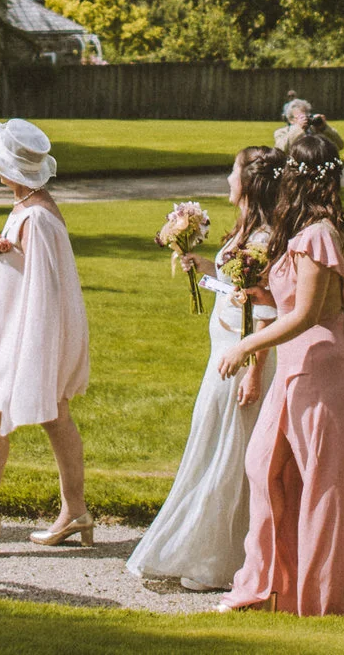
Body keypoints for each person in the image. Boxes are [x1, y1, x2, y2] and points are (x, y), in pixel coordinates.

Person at [217, 131, 344, 616]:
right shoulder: (307, 232)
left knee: (323, 483)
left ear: (298, 180)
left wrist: (245, 345)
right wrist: (260, 298)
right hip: (295, 369)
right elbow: (293, 304)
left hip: (320, 370)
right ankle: (265, 584)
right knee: (264, 467)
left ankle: (325, 597)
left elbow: (307, 314)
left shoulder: (318, 235)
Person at [128, 146, 283, 592]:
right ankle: (213, 549)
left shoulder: (266, 237)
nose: (227, 180)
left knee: (232, 455)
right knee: (212, 445)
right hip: (222, 352)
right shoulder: (247, 230)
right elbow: (234, 292)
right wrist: (205, 270)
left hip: (242, 360)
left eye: (233, 172)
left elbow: (268, 309)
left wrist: (256, 370)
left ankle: (221, 560)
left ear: (250, 182)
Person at [0, 120, 93, 550]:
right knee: (53, 413)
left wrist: (30, 350)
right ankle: (75, 511)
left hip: (31, 330)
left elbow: (45, 289)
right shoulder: (26, 208)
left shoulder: (37, 218)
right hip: (23, 325)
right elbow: (22, 273)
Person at [272, 94, 343, 155]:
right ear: (291, 120)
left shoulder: (316, 131)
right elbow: (280, 151)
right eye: (301, 117)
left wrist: (324, 128)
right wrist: (299, 129)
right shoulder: (281, 132)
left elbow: (340, 145)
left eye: (307, 116)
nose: (306, 119)